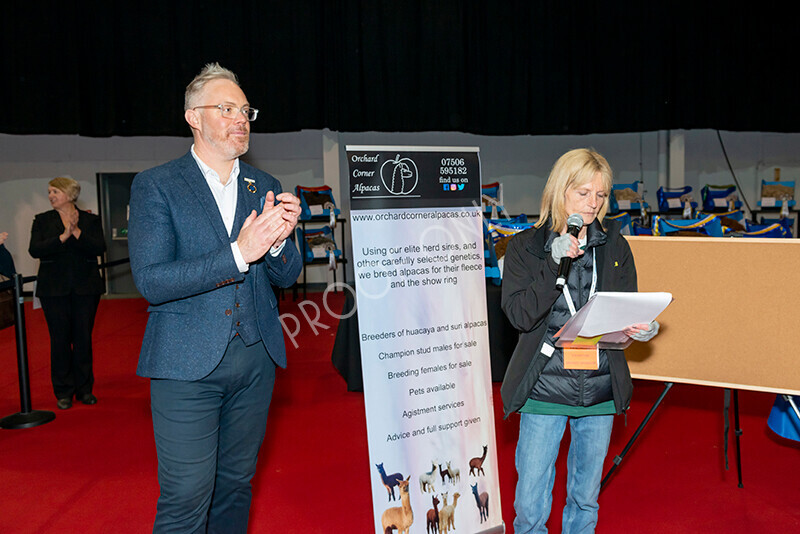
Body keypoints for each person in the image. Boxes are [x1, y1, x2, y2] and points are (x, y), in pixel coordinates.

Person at [127, 63, 302, 533]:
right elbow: (152, 280)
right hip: (184, 366)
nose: (240, 119)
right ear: (193, 117)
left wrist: (281, 241)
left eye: (245, 110)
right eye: (226, 108)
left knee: (235, 486)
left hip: (255, 360)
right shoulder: (156, 185)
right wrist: (239, 254)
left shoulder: (265, 187)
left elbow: (287, 276)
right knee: (186, 497)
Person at [500, 148, 659, 533]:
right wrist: (553, 264)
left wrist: (639, 328)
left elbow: (623, 309)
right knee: (530, 503)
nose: (592, 204)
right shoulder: (525, 247)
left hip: (600, 388)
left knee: (585, 500)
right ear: (560, 191)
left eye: (601, 195)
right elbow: (521, 316)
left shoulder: (615, 246)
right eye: (583, 193)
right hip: (543, 388)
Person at [28, 177, 106, 410]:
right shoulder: (42, 220)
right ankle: (63, 391)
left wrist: (76, 231)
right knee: (60, 340)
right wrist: (62, 236)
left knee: (83, 339)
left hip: (85, 289)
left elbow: (99, 247)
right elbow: (35, 249)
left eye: (55, 191)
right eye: (49, 192)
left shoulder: (91, 220)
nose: (51, 195)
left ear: (70, 194)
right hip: (54, 290)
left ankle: (85, 389)